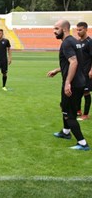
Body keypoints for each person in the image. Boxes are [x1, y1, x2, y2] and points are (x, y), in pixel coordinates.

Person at [47, 19, 89, 151]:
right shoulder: (75, 42)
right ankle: (65, 132)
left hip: (73, 84)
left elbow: (74, 62)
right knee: (65, 107)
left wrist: (67, 83)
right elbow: (73, 61)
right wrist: (57, 70)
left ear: (64, 29)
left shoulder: (66, 43)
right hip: (80, 82)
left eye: (56, 28)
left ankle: (83, 143)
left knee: (69, 114)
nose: (54, 31)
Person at [76, 22, 92, 120]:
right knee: (77, 91)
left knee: (86, 92)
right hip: (79, 72)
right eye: (77, 30)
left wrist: (91, 70)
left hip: (87, 72)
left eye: (80, 30)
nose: (78, 32)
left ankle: (85, 114)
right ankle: (78, 111)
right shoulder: (78, 42)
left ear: (86, 29)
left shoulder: (90, 42)